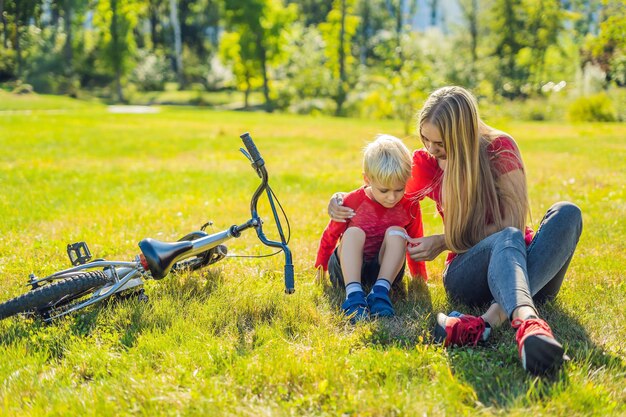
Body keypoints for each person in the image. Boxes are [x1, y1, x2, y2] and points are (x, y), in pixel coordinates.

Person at [328, 86, 582, 374]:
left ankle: (484, 324)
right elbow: (382, 195)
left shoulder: (500, 149)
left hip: (526, 270)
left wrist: (443, 240)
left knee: (567, 213)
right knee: (510, 238)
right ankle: (527, 321)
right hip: (468, 273)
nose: (430, 149)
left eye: (440, 143)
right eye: (426, 139)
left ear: (463, 135)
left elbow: (511, 223)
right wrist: (340, 199)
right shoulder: (425, 164)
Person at [315, 135, 427, 322]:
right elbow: (331, 235)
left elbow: (416, 241)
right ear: (367, 179)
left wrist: (419, 278)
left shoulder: (410, 205)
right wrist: (320, 269)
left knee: (398, 233)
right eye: (384, 190)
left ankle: (380, 292)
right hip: (346, 270)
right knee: (353, 232)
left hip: (386, 271)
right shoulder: (352, 202)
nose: (392, 197)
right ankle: (354, 295)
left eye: (399, 189)